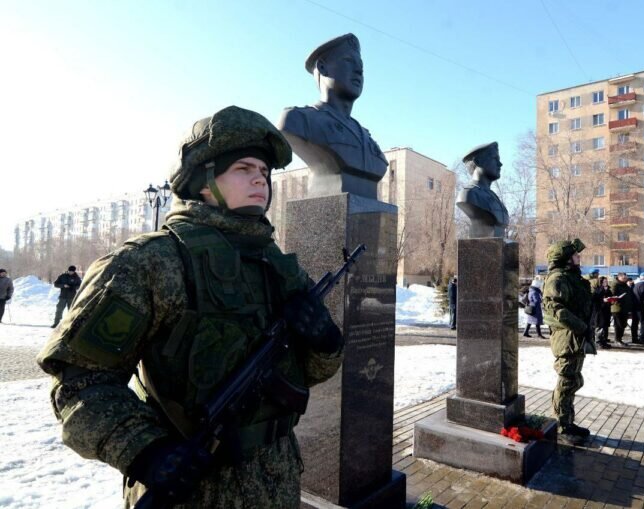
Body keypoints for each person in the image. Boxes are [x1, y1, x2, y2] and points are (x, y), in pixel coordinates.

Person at [36, 106, 345, 508]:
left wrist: (325, 342)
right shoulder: (153, 262)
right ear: (203, 181)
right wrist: (146, 452)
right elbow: (81, 382)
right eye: (243, 168)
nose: (260, 179)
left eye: (265, 171)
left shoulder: (278, 266)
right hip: (193, 490)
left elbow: (307, 373)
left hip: (279, 481)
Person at [278, 33, 387, 200]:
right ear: (322, 67)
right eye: (349, 61)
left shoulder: (367, 138)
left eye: (361, 67)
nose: (358, 71)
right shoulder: (298, 120)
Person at [542, 238, 596, 444]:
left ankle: (567, 421)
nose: (578, 257)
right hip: (567, 338)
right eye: (574, 254)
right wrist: (581, 327)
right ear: (564, 258)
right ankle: (561, 426)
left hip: (576, 337)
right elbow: (555, 308)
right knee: (567, 381)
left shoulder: (570, 277)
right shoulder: (557, 278)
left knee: (572, 380)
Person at [456, 142, 509, 238]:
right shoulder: (468, 194)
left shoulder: (494, 197)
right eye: (495, 159)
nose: (500, 164)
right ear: (478, 161)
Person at [609, 272, 632, 345]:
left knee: (623, 324)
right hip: (617, 308)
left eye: (626, 277)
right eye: (623, 278)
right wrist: (617, 298)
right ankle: (617, 339)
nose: (625, 279)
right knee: (618, 325)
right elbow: (611, 294)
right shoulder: (615, 284)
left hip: (625, 308)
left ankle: (620, 339)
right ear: (619, 277)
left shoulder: (625, 285)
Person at [593, 276, 613, 349]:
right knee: (599, 326)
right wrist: (603, 300)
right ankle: (598, 342)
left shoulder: (608, 290)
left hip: (606, 311)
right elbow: (595, 300)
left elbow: (610, 297)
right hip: (599, 311)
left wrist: (612, 300)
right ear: (600, 282)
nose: (606, 283)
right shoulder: (598, 290)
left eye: (606, 281)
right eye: (604, 281)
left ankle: (604, 341)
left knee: (605, 327)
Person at [627, 279, 641, 343]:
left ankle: (634, 338)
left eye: (631, 281)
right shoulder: (626, 288)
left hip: (634, 308)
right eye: (629, 282)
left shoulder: (634, 287)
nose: (630, 283)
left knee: (635, 323)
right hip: (628, 308)